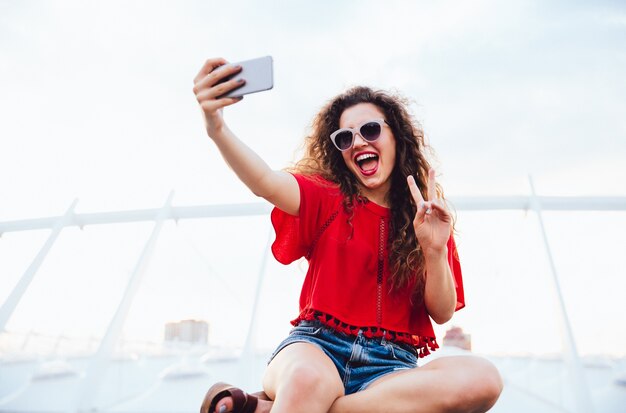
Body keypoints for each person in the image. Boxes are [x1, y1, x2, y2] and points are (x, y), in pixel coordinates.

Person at [193, 57, 503, 413]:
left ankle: (287, 408)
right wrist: (216, 127)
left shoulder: (428, 216)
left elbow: (443, 312)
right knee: (307, 382)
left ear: (395, 137)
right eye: (344, 137)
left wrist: (433, 250)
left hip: (389, 368)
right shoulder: (326, 197)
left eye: (370, 130)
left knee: (484, 378)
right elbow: (264, 181)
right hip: (316, 348)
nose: (357, 142)